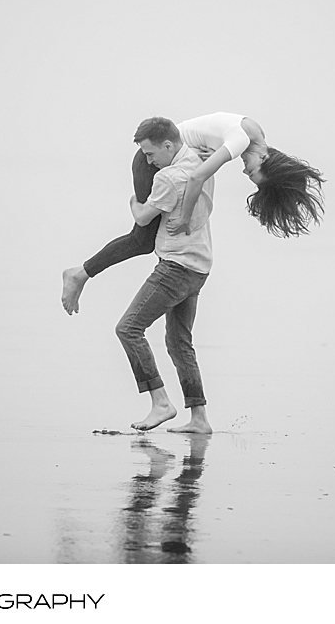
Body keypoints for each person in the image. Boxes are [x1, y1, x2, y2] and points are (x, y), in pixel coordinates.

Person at [61, 112, 324, 314]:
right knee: (142, 240)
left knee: (148, 239)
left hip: (169, 157)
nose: (246, 172)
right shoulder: (241, 139)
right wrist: (184, 218)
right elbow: (197, 177)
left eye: (249, 175)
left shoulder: (252, 136)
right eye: (253, 172)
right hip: (152, 159)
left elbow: (206, 146)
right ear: (267, 159)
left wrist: (205, 155)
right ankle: (79, 274)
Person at [115, 117, 215, 434]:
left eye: (150, 153)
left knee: (128, 328)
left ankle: (160, 402)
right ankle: (199, 420)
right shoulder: (202, 161)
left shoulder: (168, 177)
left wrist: (133, 201)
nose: (148, 161)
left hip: (176, 266)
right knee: (179, 343)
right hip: (200, 264)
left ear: (168, 145)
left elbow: (144, 217)